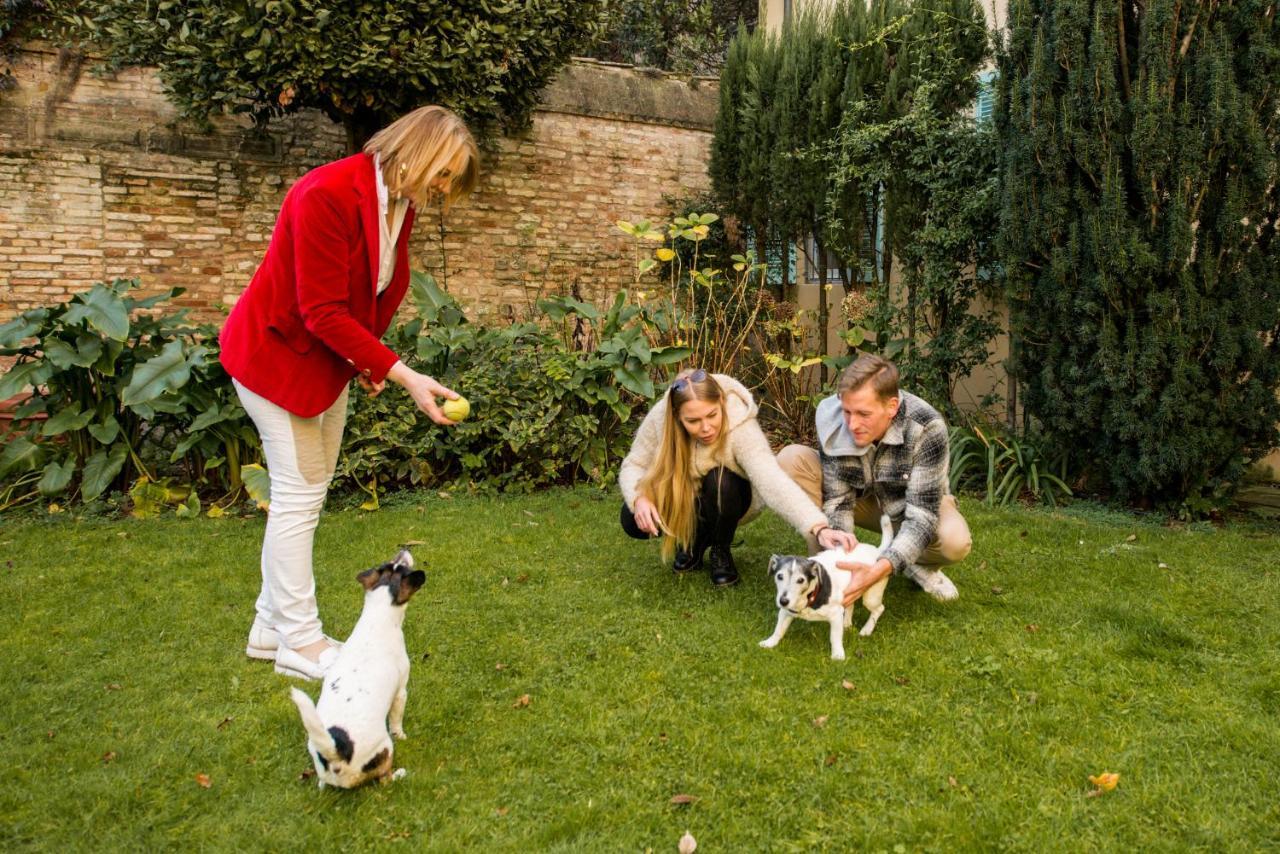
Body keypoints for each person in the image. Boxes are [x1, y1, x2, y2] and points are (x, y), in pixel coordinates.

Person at [219, 105, 479, 680]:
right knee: (298, 497)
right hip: (274, 358)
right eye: (442, 174)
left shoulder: (400, 203)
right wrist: (402, 374)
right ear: (416, 151)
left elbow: (372, 288)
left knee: (307, 492)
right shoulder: (325, 194)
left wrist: (370, 360)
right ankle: (300, 641)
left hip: (327, 363)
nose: (441, 190)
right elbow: (320, 309)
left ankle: (268, 627)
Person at [619, 369, 857, 587]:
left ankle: (720, 549)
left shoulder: (740, 426)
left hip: (732, 498)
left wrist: (818, 527)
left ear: (721, 402)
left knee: (719, 481)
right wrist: (639, 499)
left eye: (712, 415)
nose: (706, 428)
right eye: (692, 421)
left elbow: (772, 480)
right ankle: (694, 539)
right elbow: (633, 464)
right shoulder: (661, 418)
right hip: (689, 497)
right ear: (677, 417)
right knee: (631, 517)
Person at [778, 353, 972, 608]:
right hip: (864, 503)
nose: (852, 424)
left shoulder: (927, 426)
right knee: (791, 459)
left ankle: (915, 565)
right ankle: (823, 569)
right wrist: (841, 564)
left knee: (954, 540)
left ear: (891, 407)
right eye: (847, 411)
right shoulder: (835, 419)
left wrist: (881, 568)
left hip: (909, 507)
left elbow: (922, 516)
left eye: (863, 414)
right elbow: (837, 500)